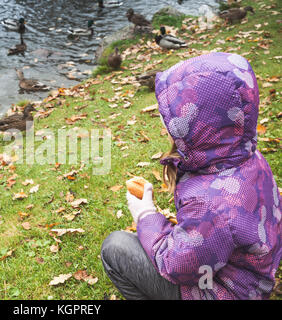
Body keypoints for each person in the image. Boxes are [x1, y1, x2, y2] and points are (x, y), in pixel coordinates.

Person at [101, 52, 281, 300]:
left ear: (199, 123)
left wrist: (145, 215)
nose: (165, 122)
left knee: (115, 247)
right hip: (250, 278)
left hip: (226, 291)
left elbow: (177, 267)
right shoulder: (246, 156)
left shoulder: (211, 204)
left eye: (173, 115)